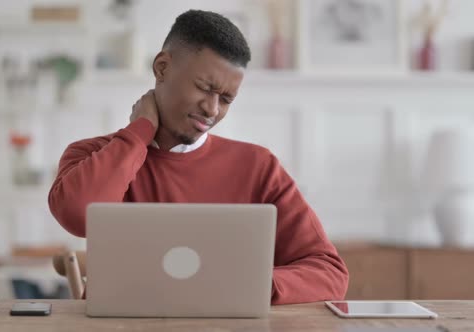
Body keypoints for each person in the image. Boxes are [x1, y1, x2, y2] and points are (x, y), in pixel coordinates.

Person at [49, 9, 348, 305]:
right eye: (205, 88)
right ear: (162, 68)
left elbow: (330, 273)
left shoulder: (258, 167)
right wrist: (139, 132)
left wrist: (255, 285)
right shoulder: (89, 154)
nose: (213, 109)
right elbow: (77, 216)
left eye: (226, 99)